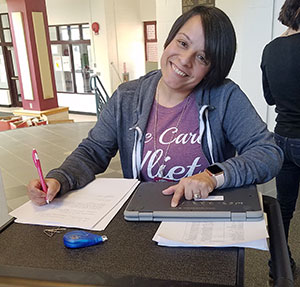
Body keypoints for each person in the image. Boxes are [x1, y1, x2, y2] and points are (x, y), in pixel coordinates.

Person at [28, 6, 283, 210]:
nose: (185, 60)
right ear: (169, 40)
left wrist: (212, 176)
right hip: (144, 215)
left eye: (202, 57)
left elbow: (268, 153)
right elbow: (93, 151)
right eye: (183, 44)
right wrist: (58, 179)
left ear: (213, 68)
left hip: (205, 215)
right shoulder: (127, 97)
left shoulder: (224, 96)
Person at [260, 0, 300, 277]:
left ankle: (279, 266)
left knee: (284, 207)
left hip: (283, 138)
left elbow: (270, 98)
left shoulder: (270, 49)